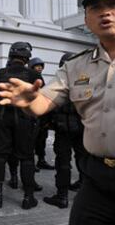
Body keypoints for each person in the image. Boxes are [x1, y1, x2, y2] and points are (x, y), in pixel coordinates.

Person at [0, 0, 115, 225]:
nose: (105, 13)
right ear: (87, 19)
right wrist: (31, 101)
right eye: (96, 8)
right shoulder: (76, 66)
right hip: (96, 180)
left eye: (113, 5)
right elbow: (45, 101)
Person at [0, 42, 42, 210]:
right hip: (25, 120)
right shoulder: (34, 74)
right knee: (26, 158)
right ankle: (28, 197)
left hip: (4, 117)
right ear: (27, 57)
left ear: (11, 55)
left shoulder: (1, 73)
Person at [43, 52, 87, 209]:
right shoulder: (85, 81)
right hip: (81, 128)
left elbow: (48, 105)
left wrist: (48, 123)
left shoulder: (57, 82)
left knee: (63, 162)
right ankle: (84, 190)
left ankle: (62, 196)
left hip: (63, 129)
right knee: (82, 159)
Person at [28, 57, 55, 170]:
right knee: (31, 140)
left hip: (42, 114)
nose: (39, 68)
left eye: (40, 66)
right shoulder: (29, 78)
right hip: (32, 114)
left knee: (41, 139)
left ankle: (41, 160)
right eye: (36, 66)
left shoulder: (40, 78)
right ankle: (30, 163)